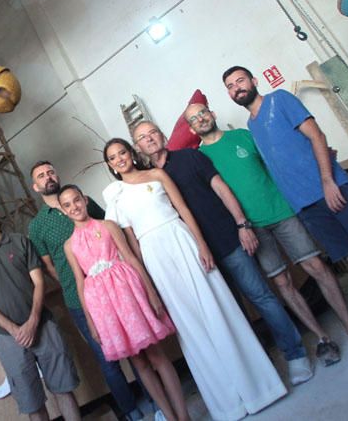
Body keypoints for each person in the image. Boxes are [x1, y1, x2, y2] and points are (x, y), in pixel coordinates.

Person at [223, 66, 348, 348]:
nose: (237, 88)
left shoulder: (280, 100)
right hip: (306, 207)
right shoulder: (252, 127)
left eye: (240, 81)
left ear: (254, 81)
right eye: (230, 86)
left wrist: (328, 181)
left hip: (332, 189)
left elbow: (316, 136)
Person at [102, 138, 286, 421]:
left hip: (181, 239)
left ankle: (259, 389)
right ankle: (229, 404)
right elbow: (132, 246)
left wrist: (201, 244)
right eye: (113, 158)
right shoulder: (115, 200)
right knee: (190, 324)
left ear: (131, 153)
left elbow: (184, 210)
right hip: (155, 257)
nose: (120, 159)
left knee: (217, 307)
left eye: (122, 152)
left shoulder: (157, 175)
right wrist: (148, 282)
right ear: (111, 166)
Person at [186, 102, 348, 364]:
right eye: (194, 119)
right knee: (282, 282)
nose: (201, 119)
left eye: (203, 113)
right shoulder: (199, 158)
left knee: (316, 266)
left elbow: (277, 163)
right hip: (252, 228)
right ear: (192, 128)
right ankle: (322, 339)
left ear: (213, 114)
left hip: (282, 211)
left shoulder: (242, 136)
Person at [131, 121, 314, 385]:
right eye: (142, 137)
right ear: (138, 147)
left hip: (227, 240)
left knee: (261, 296)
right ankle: (260, 371)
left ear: (161, 135)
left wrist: (242, 224)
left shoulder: (191, 157)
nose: (149, 139)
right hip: (194, 258)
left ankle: (295, 354)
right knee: (232, 314)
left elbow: (221, 188)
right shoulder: (146, 182)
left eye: (152, 133)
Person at [28, 161, 151, 421]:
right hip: (79, 298)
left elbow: (111, 230)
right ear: (35, 186)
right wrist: (76, 285)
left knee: (137, 347)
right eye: (41, 176)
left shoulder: (83, 201)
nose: (48, 177)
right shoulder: (37, 226)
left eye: (51, 171)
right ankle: (130, 411)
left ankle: (154, 398)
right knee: (107, 358)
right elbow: (49, 266)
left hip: (116, 287)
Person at [58, 184, 188, 421]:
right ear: (63, 211)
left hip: (127, 293)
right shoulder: (69, 245)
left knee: (156, 355)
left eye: (76, 200)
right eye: (67, 205)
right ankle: (170, 416)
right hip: (104, 307)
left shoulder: (107, 226)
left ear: (84, 200)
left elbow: (130, 257)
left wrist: (151, 292)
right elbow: (80, 283)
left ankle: (183, 414)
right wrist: (91, 321)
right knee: (139, 363)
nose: (74, 207)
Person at [0, 199, 81, 421]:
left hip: (43, 326)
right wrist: (14, 329)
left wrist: (32, 322)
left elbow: (39, 283)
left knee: (63, 390)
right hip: (8, 338)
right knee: (32, 403)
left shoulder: (20, 242)